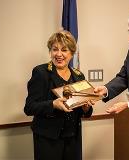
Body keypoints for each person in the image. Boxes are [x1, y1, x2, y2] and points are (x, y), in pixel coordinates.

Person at [24, 30, 93, 160]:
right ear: (50, 52)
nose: (59, 54)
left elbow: (85, 111)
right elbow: (29, 107)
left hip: (73, 139)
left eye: (64, 50)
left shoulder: (79, 76)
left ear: (72, 53)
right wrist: (53, 104)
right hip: (48, 140)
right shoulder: (41, 72)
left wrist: (86, 108)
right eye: (55, 49)